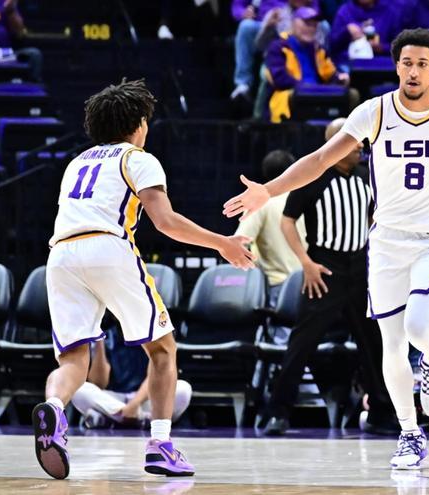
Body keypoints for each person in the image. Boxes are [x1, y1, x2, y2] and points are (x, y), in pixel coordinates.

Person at [224, 28, 429, 469]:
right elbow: (318, 160)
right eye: (406, 63)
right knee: (390, 343)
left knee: (417, 327)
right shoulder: (374, 113)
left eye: (422, 64)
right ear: (396, 66)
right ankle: (410, 433)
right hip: (387, 244)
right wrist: (268, 190)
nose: (413, 71)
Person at [32, 79, 254, 479]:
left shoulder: (76, 163)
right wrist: (222, 243)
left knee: (73, 359)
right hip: (106, 246)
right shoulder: (137, 157)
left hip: (60, 254)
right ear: (138, 123)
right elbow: (165, 222)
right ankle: (161, 445)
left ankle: (53, 409)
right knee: (163, 349)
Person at [263, 118, 395, 436]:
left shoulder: (366, 176)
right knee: (302, 343)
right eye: (354, 141)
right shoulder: (313, 177)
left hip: (360, 270)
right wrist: (306, 263)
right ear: (335, 146)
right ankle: (278, 412)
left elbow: (374, 214)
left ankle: (380, 412)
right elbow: (287, 222)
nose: (361, 145)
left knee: (373, 343)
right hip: (325, 269)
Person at [71, 328, 192, 429]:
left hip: (149, 399)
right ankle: (142, 419)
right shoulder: (107, 334)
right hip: (113, 398)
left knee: (183, 389)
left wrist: (134, 404)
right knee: (78, 389)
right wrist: (99, 344)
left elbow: (158, 372)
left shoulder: (151, 331)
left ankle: (109, 419)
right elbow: (99, 383)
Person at [234, 150, 305, 309]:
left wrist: (253, 270)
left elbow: (240, 242)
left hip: (277, 284)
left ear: (265, 172)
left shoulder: (261, 203)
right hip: (311, 280)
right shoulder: (306, 199)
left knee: (279, 333)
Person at [264, 7, 350, 123]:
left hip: (317, 93)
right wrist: (305, 86)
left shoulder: (318, 49)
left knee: (351, 94)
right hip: (292, 93)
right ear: (293, 23)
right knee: (297, 95)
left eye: (314, 25)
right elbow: (278, 78)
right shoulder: (278, 46)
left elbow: (329, 74)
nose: (311, 28)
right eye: (306, 23)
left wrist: (340, 79)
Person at [329, 0, 402, 67]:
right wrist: (346, 33)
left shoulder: (389, 11)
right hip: (349, 65)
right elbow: (332, 47)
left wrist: (381, 47)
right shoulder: (344, 11)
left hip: (381, 65)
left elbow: (400, 48)